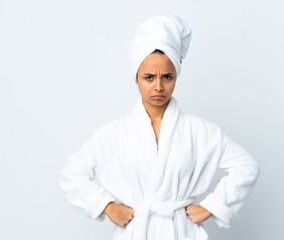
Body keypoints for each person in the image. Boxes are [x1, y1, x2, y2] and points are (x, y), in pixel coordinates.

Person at [59, 13, 260, 240]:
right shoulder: (114, 134)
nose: (158, 86)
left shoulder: (198, 131)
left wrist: (212, 206)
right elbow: (71, 175)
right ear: (136, 77)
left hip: (181, 233)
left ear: (177, 76)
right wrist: (106, 206)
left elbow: (247, 167)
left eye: (167, 76)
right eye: (148, 77)